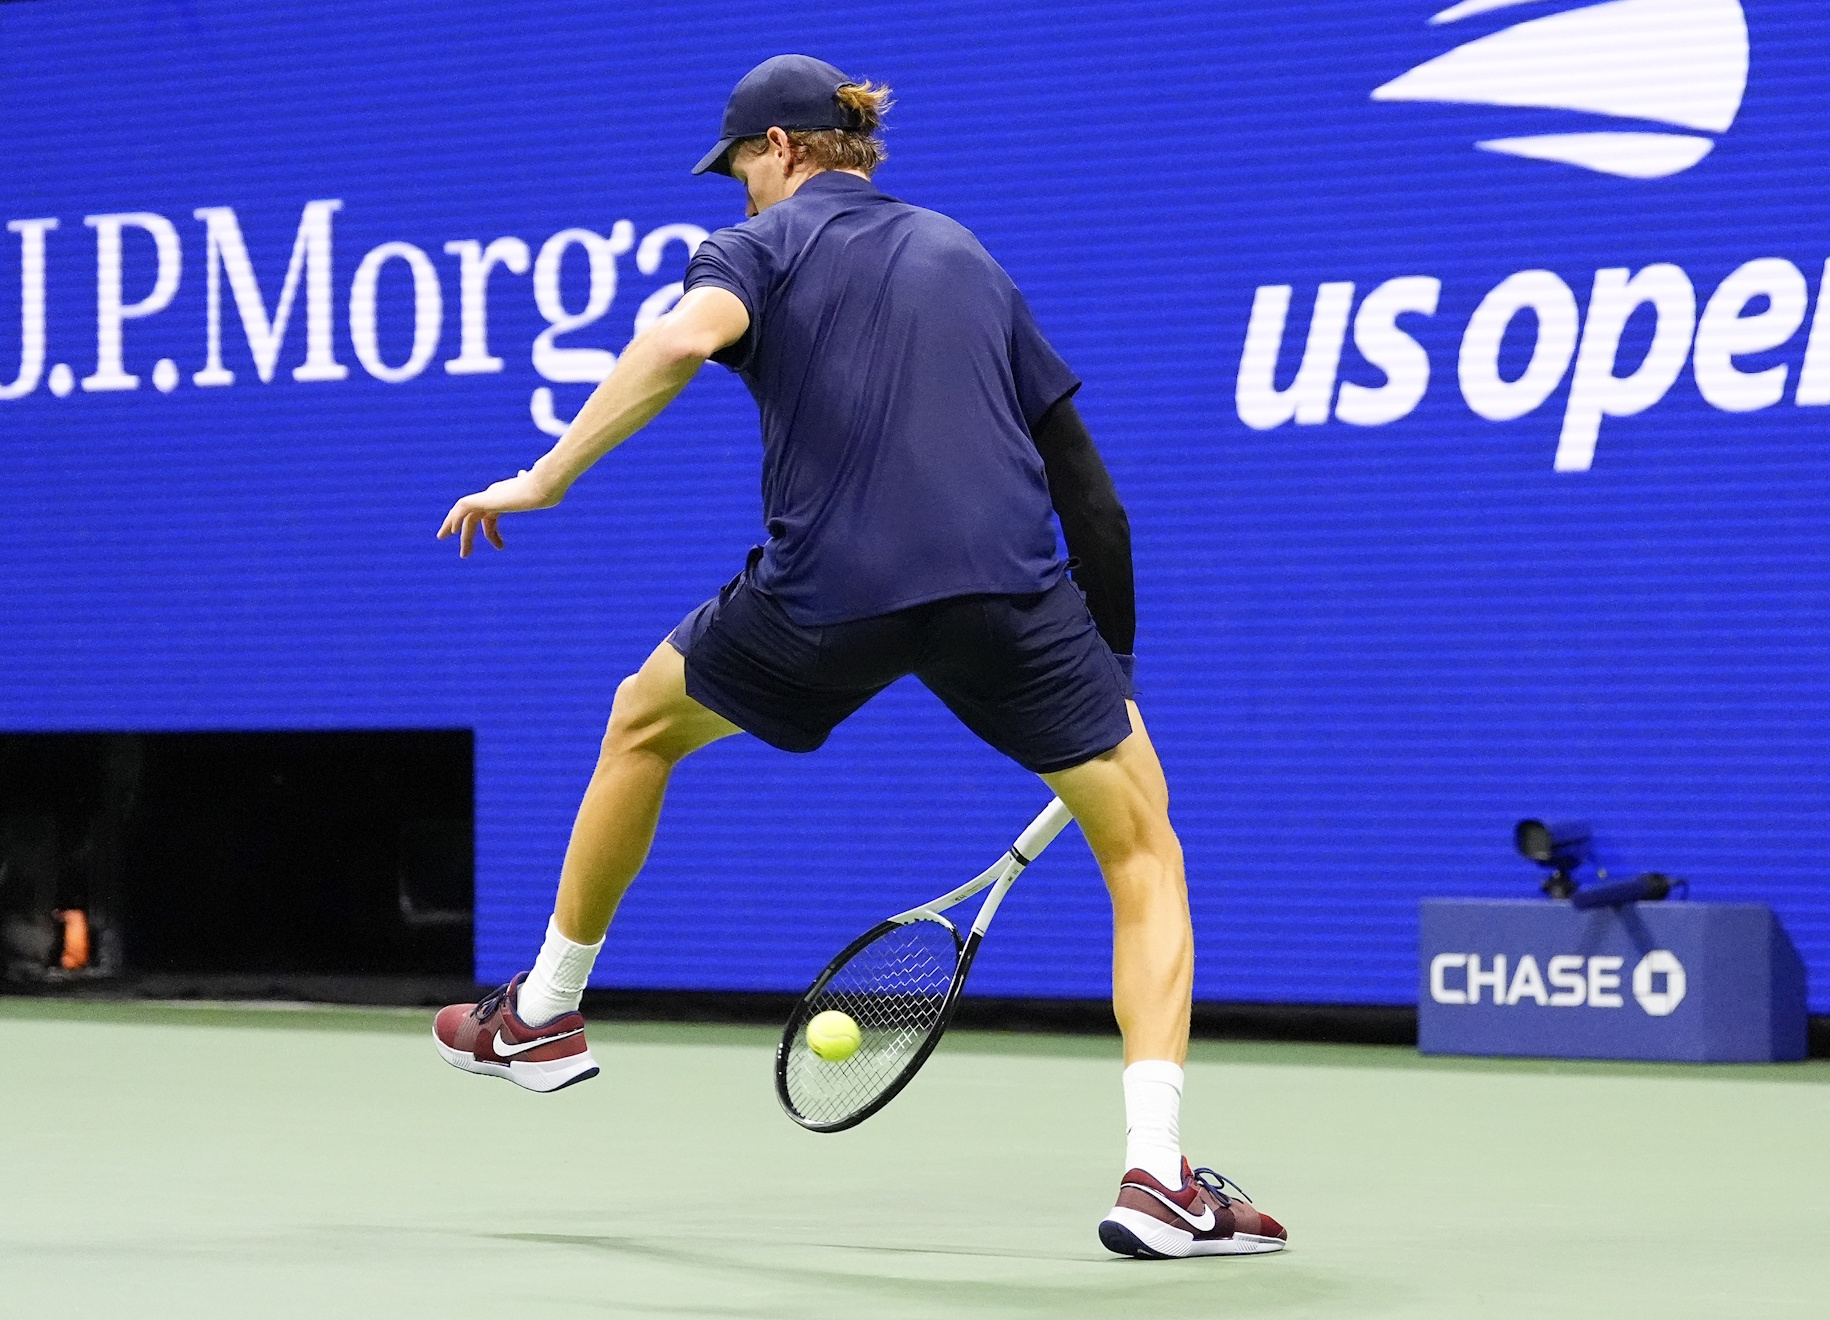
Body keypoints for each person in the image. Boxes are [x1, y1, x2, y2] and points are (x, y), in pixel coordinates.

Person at [431, 54, 1285, 1260]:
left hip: (827, 596)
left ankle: (543, 1013)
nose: (736, 192)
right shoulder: (966, 253)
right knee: (1142, 847)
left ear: (778, 149)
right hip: (1011, 599)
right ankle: (1158, 1177)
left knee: (641, 721)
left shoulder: (758, 250)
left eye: (736, 169)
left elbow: (679, 344)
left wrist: (545, 475)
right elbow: (1088, 491)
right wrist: (1113, 671)